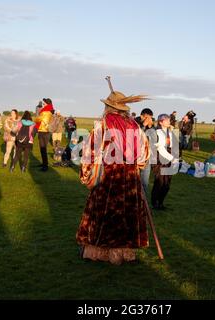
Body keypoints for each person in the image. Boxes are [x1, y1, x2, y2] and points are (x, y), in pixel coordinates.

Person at [77, 80, 149, 265]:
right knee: (127, 214)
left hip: (109, 175)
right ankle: (125, 254)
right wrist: (134, 167)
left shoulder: (103, 124)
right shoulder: (135, 126)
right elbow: (144, 153)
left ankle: (100, 253)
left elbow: (90, 151)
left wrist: (87, 175)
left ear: (108, 107)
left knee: (105, 213)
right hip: (130, 176)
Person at [151, 114, 177, 210]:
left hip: (169, 160)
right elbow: (160, 149)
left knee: (167, 184)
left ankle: (161, 202)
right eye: (166, 120)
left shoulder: (169, 132)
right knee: (159, 182)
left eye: (168, 120)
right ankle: (155, 203)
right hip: (160, 161)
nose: (168, 121)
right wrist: (171, 158)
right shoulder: (157, 132)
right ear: (161, 122)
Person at [137, 108, 156, 194]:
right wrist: (144, 125)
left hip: (147, 156)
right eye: (147, 118)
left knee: (145, 181)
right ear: (142, 116)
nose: (149, 120)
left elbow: (155, 139)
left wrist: (151, 127)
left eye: (150, 118)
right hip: (136, 156)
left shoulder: (151, 126)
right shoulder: (134, 122)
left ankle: (142, 201)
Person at [35, 98, 53, 172]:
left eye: (44, 103)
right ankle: (44, 163)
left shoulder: (45, 112)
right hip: (46, 131)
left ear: (47, 104)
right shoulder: (49, 111)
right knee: (43, 149)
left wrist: (37, 118)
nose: (43, 104)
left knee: (43, 149)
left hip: (43, 131)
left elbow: (38, 119)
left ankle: (45, 166)